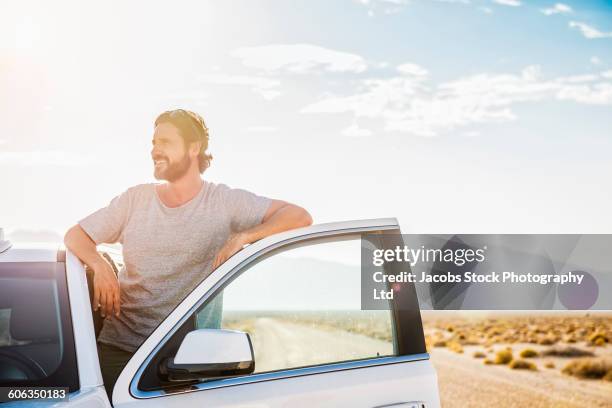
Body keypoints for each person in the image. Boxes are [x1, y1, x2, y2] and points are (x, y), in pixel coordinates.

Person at [63, 109, 312, 400]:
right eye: (153, 142)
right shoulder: (135, 199)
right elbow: (75, 235)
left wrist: (243, 236)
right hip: (120, 351)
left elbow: (299, 216)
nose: (155, 150)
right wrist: (99, 265)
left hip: (187, 360)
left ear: (194, 148)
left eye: (165, 142)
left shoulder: (223, 202)